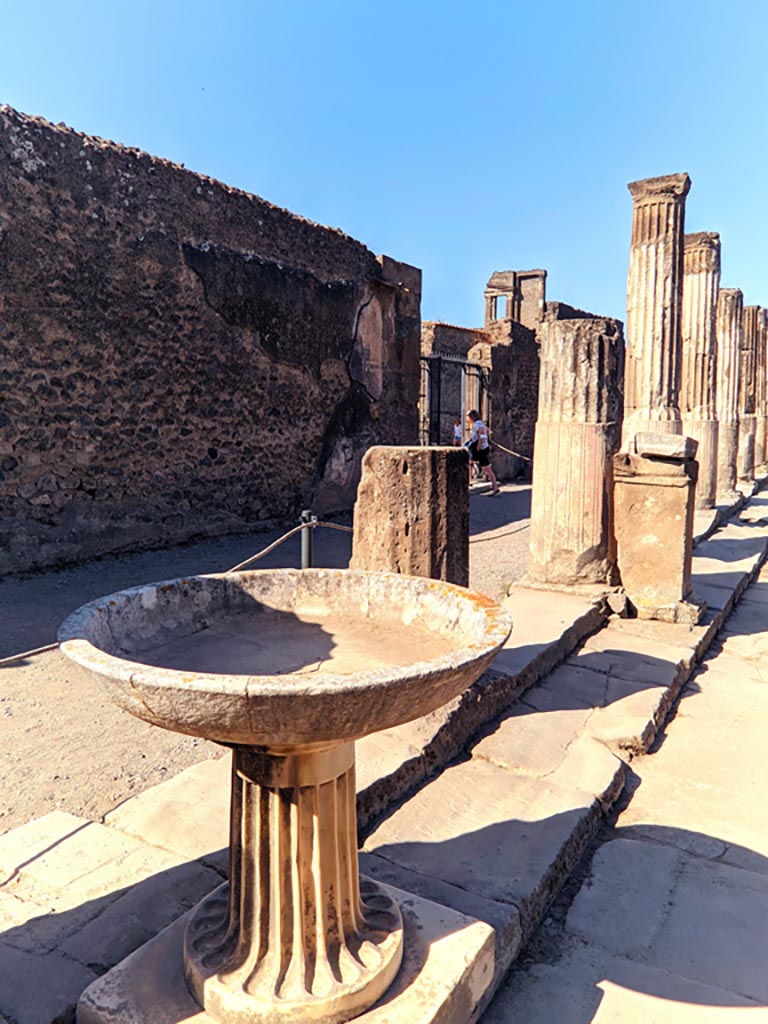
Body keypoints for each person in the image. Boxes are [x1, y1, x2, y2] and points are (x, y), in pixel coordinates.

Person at [464, 410, 499, 495]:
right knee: (470, 462)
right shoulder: (481, 424)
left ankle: (495, 487)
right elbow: (487, 431)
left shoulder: (477, 425)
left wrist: (478, 446)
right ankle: (469, 482)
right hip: (482, 448)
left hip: (480, 449)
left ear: (472, 417)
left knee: (486, 468)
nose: (467, 420)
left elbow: (482, 435)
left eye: (468, 417)